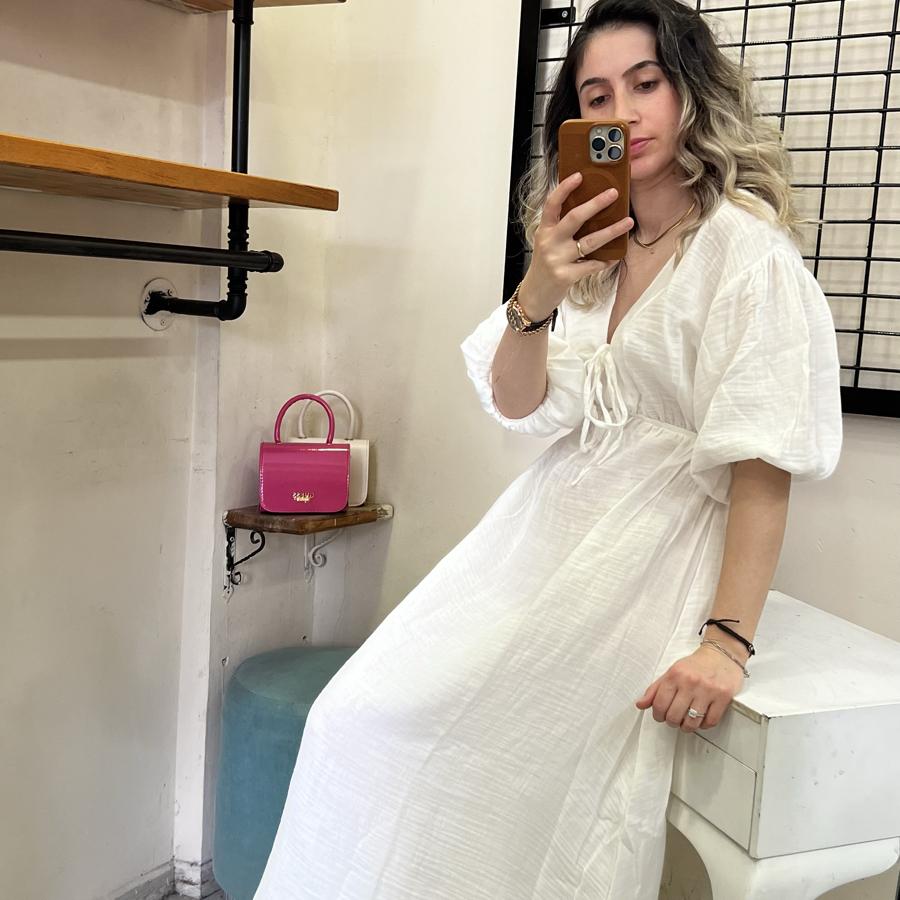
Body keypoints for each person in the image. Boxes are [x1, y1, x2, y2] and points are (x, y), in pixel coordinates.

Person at [252, 1, 843, 897]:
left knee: (500, 776)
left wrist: (726, 643)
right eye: (596, 97)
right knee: (357, 717)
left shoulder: (746, 257)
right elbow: (516, 401)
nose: (623, 114)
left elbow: (762, 468)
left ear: (691, 91)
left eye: (646, 84)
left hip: (650, 557)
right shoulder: (590, 247)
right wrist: (539, 286)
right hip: (542, 534)